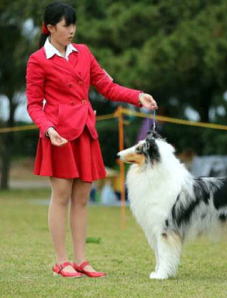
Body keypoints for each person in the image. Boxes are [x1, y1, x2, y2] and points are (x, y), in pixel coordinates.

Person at [26, 2, 157, 278]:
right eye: (66, 26)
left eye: (74, 25)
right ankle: (61, 261)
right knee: (61, 197)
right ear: (50, 28)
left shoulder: (84, 53)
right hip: (59, 136)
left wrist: (137, 96)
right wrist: (48, 128)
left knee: (82, 199)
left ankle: (81, 260)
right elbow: (34, 105)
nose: (72, 30)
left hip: (85, 133)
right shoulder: (37, 60)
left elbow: (107, 86)